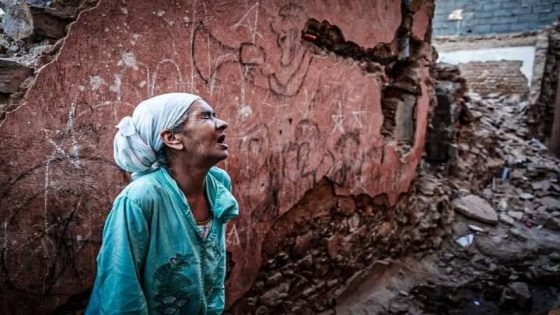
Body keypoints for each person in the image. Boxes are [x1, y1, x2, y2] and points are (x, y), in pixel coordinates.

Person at [86, 93, 239, 315]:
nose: (222, 123)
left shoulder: (217, 184)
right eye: (206, 117)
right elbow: (120, 289)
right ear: (172, 138)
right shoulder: (140, 199)